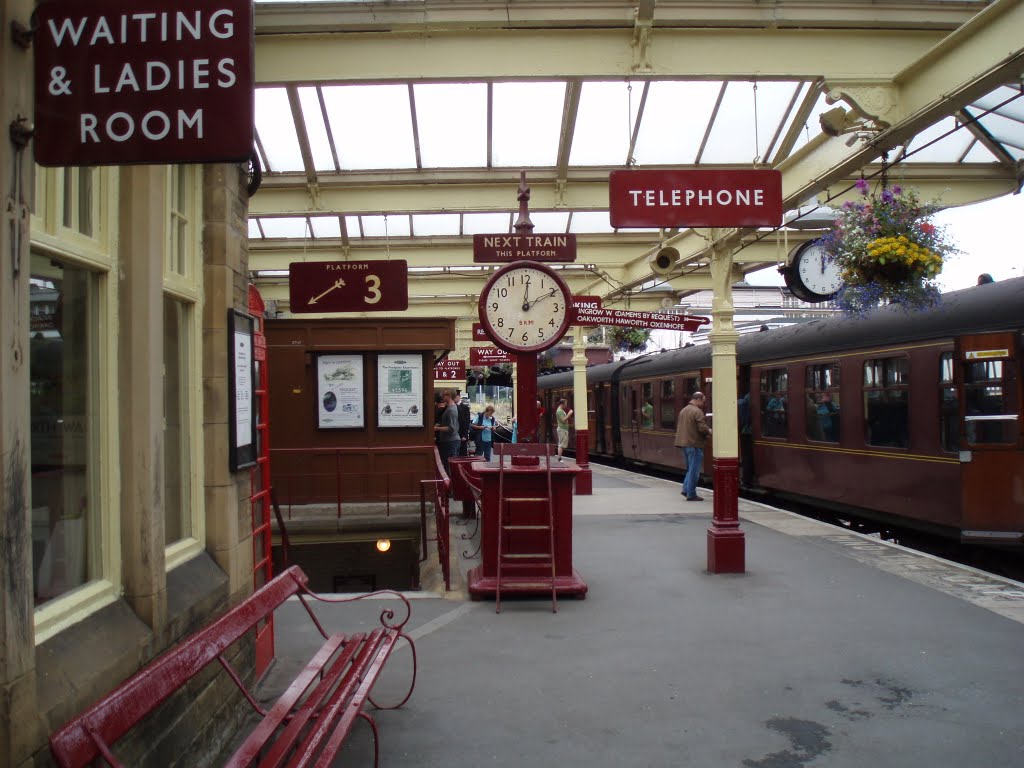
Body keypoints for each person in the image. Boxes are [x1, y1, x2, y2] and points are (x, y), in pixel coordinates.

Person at [674, 391, 711, 501]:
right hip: (694, 444)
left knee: (690, 469)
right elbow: (702, 428)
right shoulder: (697, 411)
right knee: (694, 470)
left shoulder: (683, 410)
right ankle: (691, 494)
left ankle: (686, 489)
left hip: (684, 444)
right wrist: (709, 431)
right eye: (703, 402)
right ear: (698, 399)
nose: (703, 404)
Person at [432, 390, 461, 477]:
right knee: (447, 466)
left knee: (448, 467)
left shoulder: (451, 410)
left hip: (450, 441)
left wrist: (436, 428)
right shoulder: (450, 407)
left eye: (444, 395)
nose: (442, 397)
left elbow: (451, 428)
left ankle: (450, 487)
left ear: (449, 396)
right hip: (449, 441)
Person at [454, 391, 472, 457]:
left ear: (459, 397)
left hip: (462, 433)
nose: (454, 399)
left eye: (455, 397)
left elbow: (467, 422)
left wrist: (465, 435)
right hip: (455, 432)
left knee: (462, 451)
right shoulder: (453, 406)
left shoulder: (465, 407)